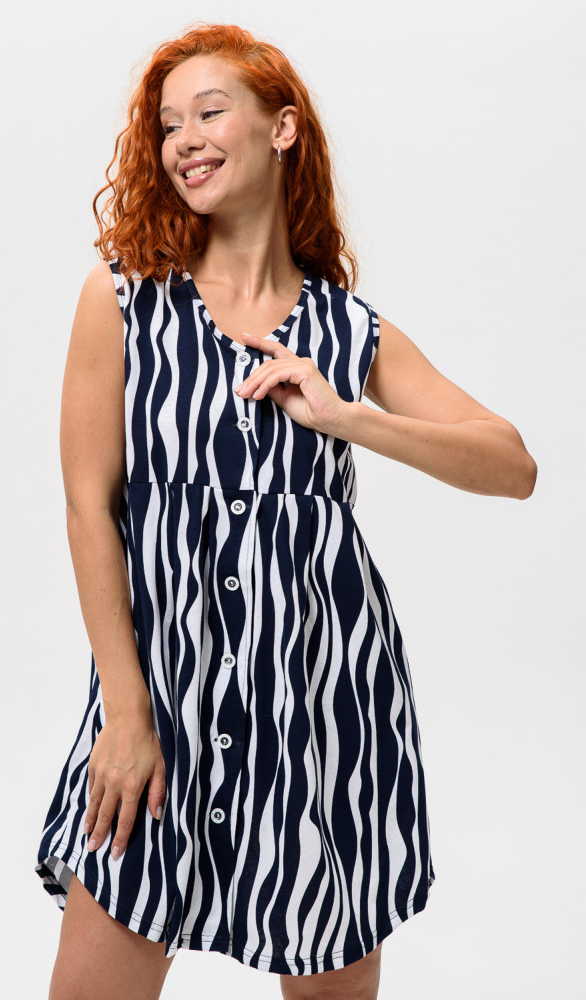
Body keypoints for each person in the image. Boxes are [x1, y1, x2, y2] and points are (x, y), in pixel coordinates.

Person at [34, 21, 537, 1000]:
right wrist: (125, 713)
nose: (183, 139)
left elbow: (511, 465)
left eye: (208, 111)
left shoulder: (349, 331)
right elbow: (89, 510)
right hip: (162, 705)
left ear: (282, 128)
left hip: (323, 713)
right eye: (167, 125)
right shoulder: (126, 300)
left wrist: (347, 418)